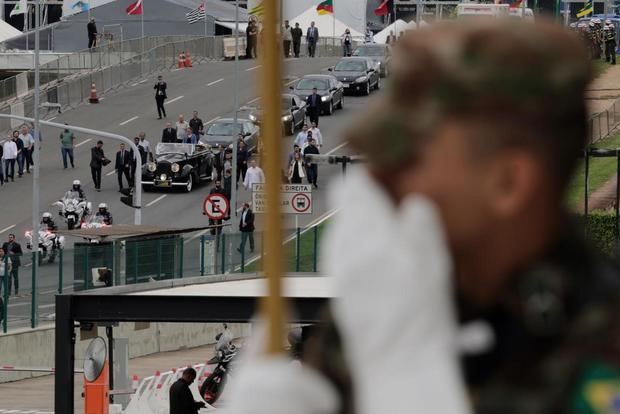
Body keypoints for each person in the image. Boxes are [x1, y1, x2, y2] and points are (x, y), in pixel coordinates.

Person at [225, 20, 603, 414]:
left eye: (408, 161)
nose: (378, 182)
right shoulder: (389, 310)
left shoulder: (600, 346)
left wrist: (408, 386)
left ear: (509, 182)